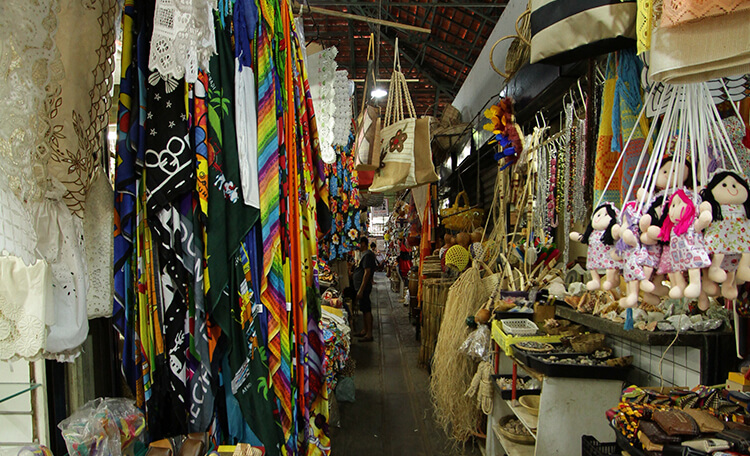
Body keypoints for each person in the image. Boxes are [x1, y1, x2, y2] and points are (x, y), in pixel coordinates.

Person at [353, 236, 377, 341]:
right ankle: (364, 330)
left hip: (364, 288)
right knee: (363, 309)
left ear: (363, 244)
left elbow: (367, 273)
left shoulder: (367, 255)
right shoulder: (364, 255)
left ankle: (369, 334)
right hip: (362, 287)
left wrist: (361, 289)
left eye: (358, 243)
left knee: (367, 310)